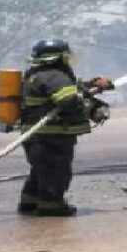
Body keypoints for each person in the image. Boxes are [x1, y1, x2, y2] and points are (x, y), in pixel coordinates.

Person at [19, 39, 113, 217]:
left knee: (41, 169)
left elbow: (70, 90)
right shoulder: (55, 76)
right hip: (51, 136)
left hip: (36, 136)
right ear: (58, 58)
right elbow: (70, 102)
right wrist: (96, 109)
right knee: (56, 171)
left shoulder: (39, 74)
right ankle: (52, 206)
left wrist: (93, 85)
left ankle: (29, 201)